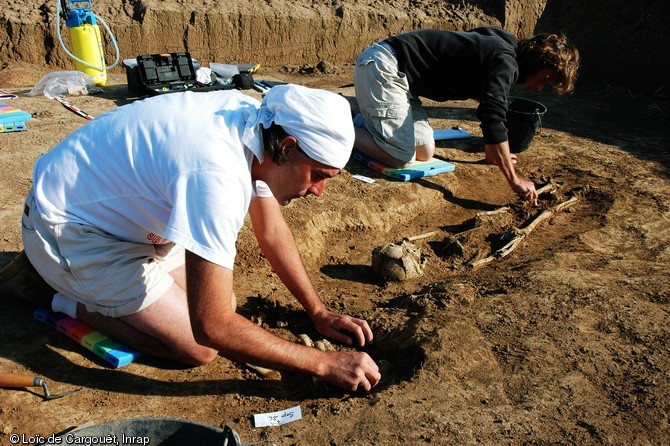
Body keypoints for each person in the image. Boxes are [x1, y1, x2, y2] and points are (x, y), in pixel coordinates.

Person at [21, 84, 381, 392]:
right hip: (69, 229)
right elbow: (212, 326)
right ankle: (62, 294)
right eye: (318, 175)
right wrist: (322, 364)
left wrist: (317, 311)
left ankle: (77, 282)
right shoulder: (216, 174)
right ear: (287, 148)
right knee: (198, 347)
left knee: (223, 301)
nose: (319, 191)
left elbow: (270, 231)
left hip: (120, 218)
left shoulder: (255, 123)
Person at [353, 26, 580, 205]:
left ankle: (367, 120)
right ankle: (337, 125)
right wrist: (514, 178)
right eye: (545, 79)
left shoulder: (505, 45)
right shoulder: (505, 61)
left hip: (402, 81)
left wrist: (495, 156)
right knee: (400, 156)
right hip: (384, 68)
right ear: (536, 63)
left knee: (425, 151)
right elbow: (492, 115)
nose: (540, 88)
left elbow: (491, 108)